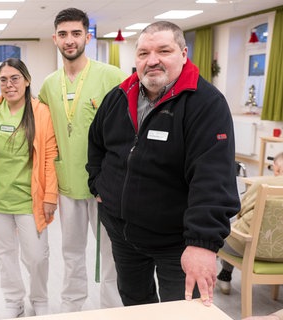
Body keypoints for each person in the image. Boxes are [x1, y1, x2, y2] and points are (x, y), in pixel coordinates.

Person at [86, 21, 240, 307]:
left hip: (177, 241)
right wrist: (99, 185)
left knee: (182, 310)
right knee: (135, 303)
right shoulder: (118, 97)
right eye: (143, 53)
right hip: (123, 233)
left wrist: (202, 243)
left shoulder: (205, 104)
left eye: (163, 51)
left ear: (183, 54)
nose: (152, 60)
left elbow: (213, 179)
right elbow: (96, 144)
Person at [38, 7, 127, 311]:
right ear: (55, 38)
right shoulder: (49, 85)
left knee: (111, 253)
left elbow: (127, 132)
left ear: (87, 36)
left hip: (104, 186)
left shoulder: (112, 76)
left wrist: (114, 182)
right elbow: (44, 132)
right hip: (68, 184)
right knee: (71, 252)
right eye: (63, 34)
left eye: (76, 33)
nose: (69, 40)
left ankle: (113, 309)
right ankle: (71, 307)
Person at [0, 58, 58, 318]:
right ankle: (13, 300)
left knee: (36, 256)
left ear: (27, 80)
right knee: (4, 254)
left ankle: (40, 297)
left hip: (29, 200)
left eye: (15, 78)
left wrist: (51, 195)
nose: (9, 85)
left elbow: (50, 156)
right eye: (3, 80)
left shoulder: (40, 111)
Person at [217, 152, 283, 294]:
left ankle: (225, 274)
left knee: (228, 226)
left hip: (248, 249)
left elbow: (240, 211)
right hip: (280, 253)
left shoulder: (262, 184)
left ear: (276, 169)